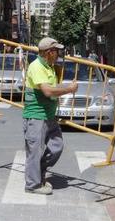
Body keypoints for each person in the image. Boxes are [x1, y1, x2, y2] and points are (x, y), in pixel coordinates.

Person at [22, 37, 79, 195]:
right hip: (36, 115)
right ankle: (33, 185)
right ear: (48, 52)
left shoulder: (49, 66)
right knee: (34, 151)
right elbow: (47, 91)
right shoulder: (37, 66)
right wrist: (69, 89)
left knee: (57, 145)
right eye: (56, 51)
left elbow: (52, 89)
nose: (59, 54)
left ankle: (39, 172)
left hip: (49, 115)